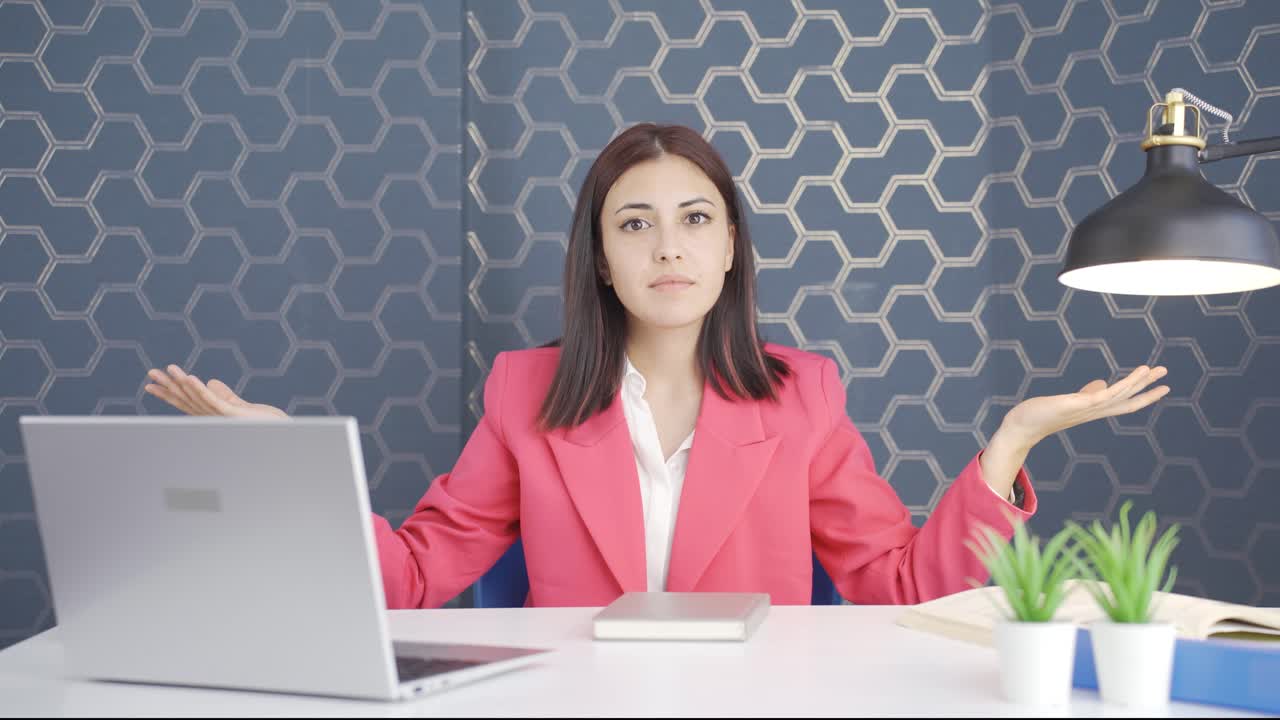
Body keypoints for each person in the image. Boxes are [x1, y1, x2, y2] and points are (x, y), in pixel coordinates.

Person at [143, 123, 1169, 608]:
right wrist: (286, 460)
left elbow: (900, 586)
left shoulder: (804, 394)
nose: (666, 249)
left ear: (729, 248)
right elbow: (412, 577)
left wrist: (1008, 447)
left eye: (693, 222)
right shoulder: (523, 394)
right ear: (599, 255)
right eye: (634, 225)